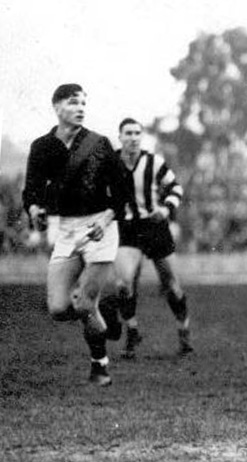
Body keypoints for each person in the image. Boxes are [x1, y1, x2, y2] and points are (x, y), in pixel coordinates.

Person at [22, 83, 129, 386]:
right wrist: (34, 210)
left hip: (100, 228)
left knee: (84, 304)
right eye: (73, 102)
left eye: (84, 102)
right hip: (66, 230)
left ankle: (100, 364)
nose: (81, 107)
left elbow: (122, 193)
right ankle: (104, 309)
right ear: (57, 107)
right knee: (57, 309)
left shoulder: (99, 143)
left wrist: (107, 218)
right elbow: (30, 190)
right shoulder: (42, 147)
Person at [98, 118, 192, 359]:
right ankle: (132, 331)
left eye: (137, 133)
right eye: (128, 133)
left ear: (142, 137)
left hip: (155, 226)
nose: (133, 137)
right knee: (123, 283)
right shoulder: (110, 164)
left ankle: (184, 332)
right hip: (128, 228)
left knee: (171, 285)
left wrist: (166, 208)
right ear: (120, 137)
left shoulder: (154, 162)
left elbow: (176, 188)